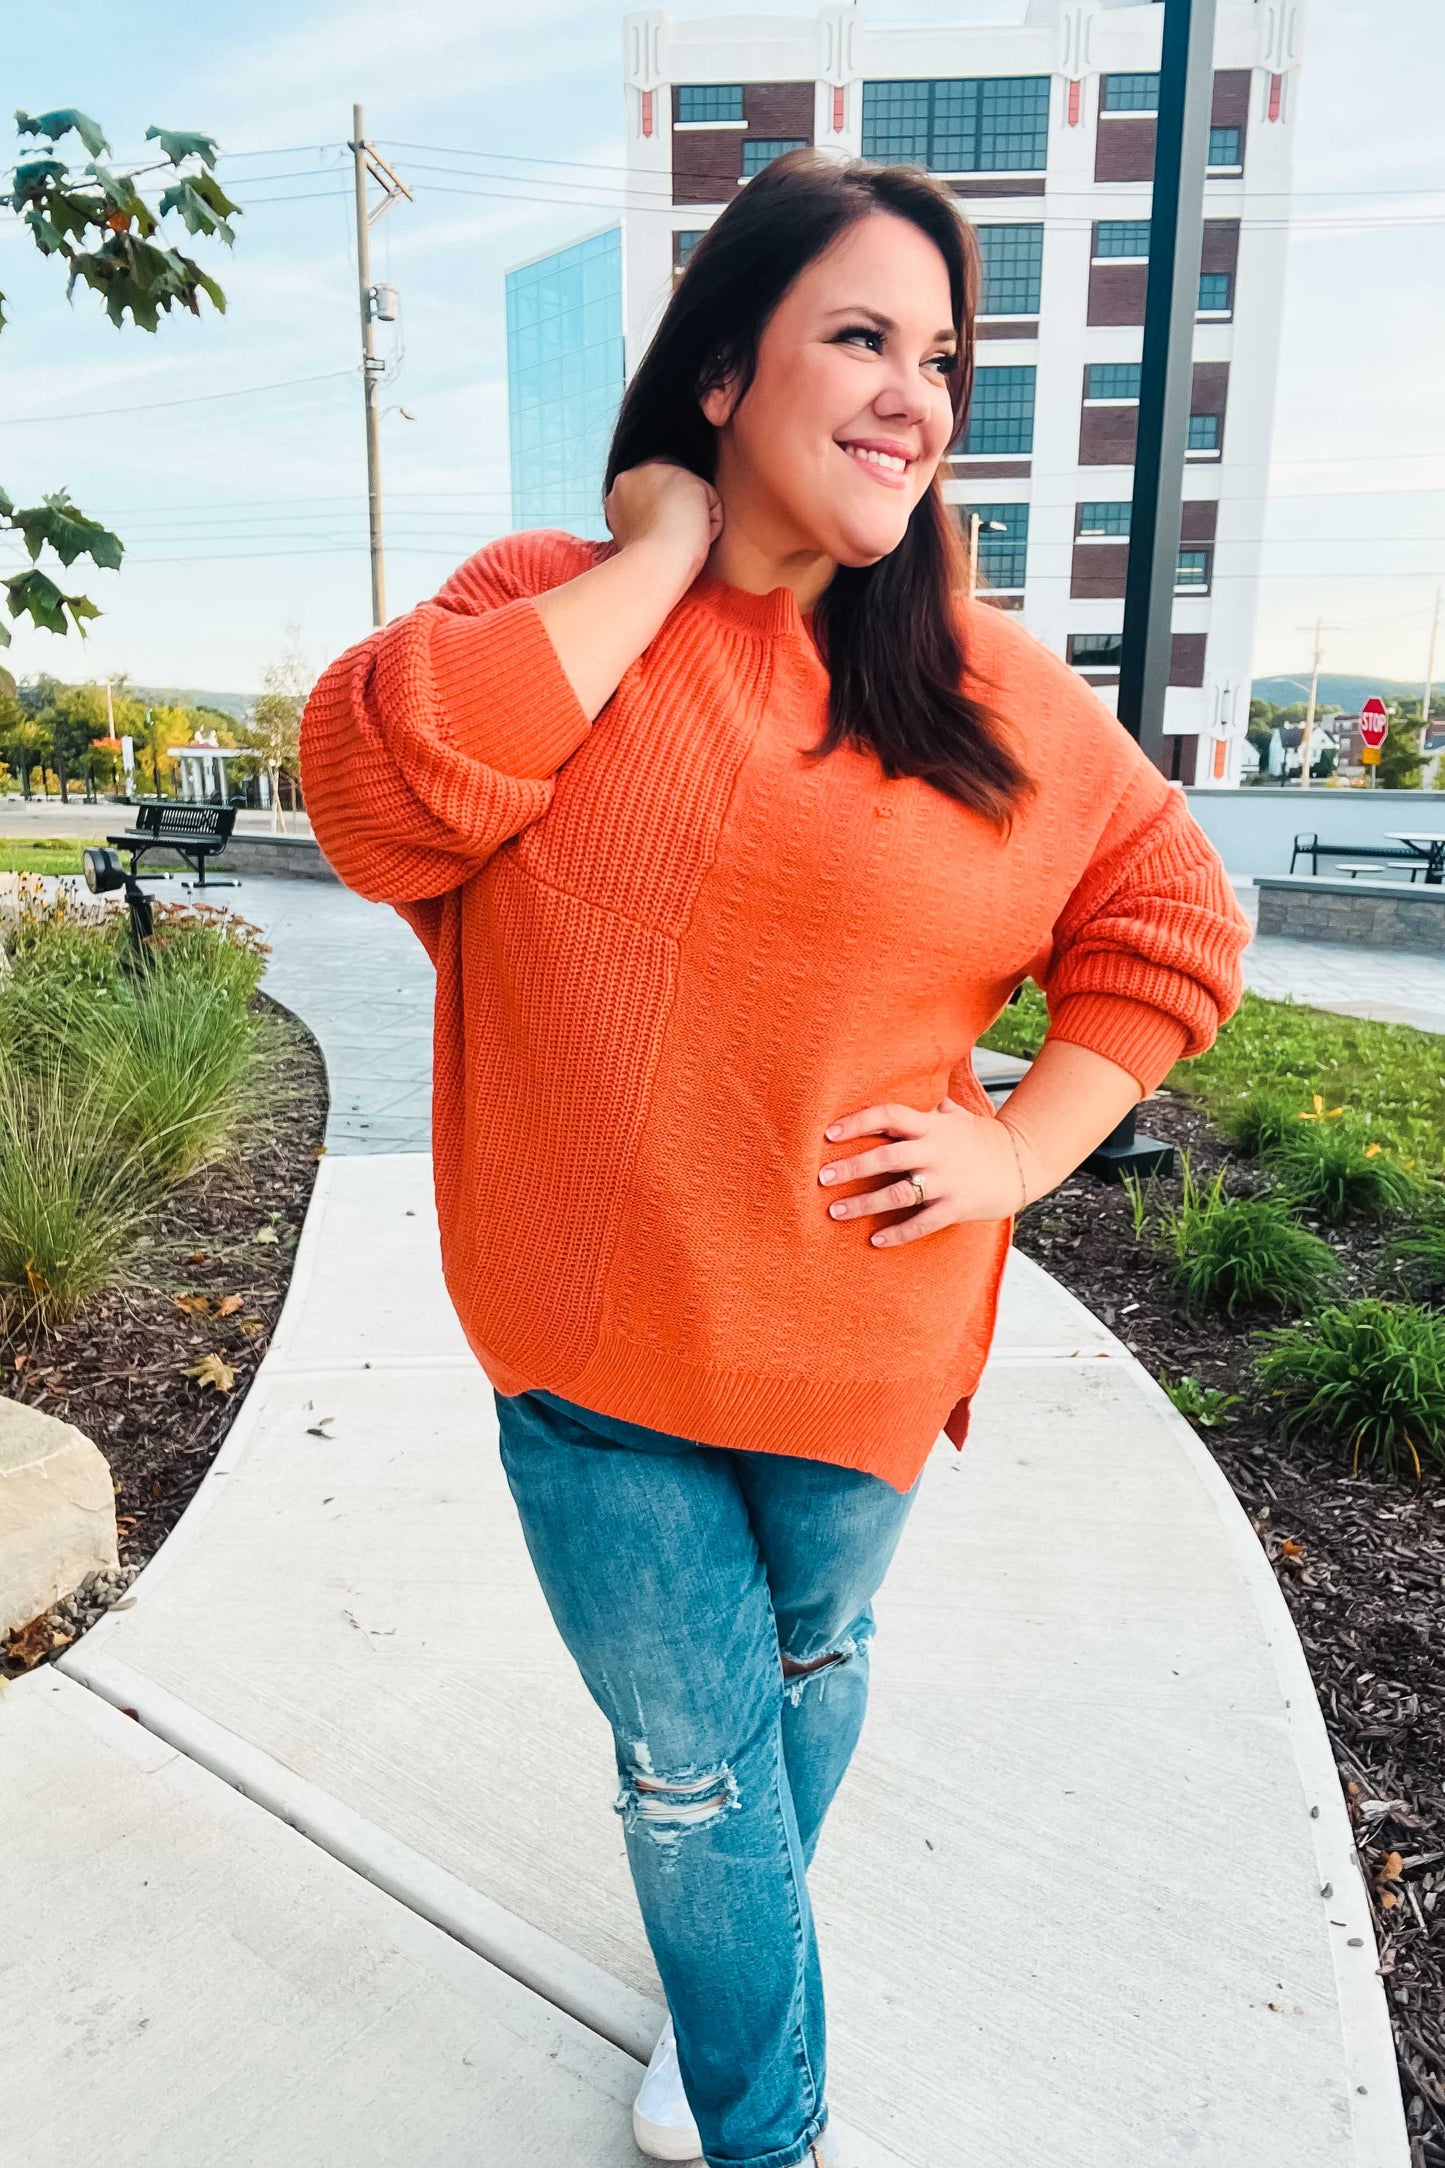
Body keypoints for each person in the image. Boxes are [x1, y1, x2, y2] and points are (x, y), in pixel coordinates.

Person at [301, 149, 1250, 2168]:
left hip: (859, 1347)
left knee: (809, 1665)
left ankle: (719, 1972)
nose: (917, 393)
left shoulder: (986, 693)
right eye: (863, 337)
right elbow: (377, 794)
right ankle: (767, 2114)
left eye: (944, 358)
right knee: (694, 1773)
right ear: (725, 369)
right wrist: (657, 553)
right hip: (592, 1352)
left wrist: (1019, 1153)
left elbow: (1173, 919)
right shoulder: (546, 604)